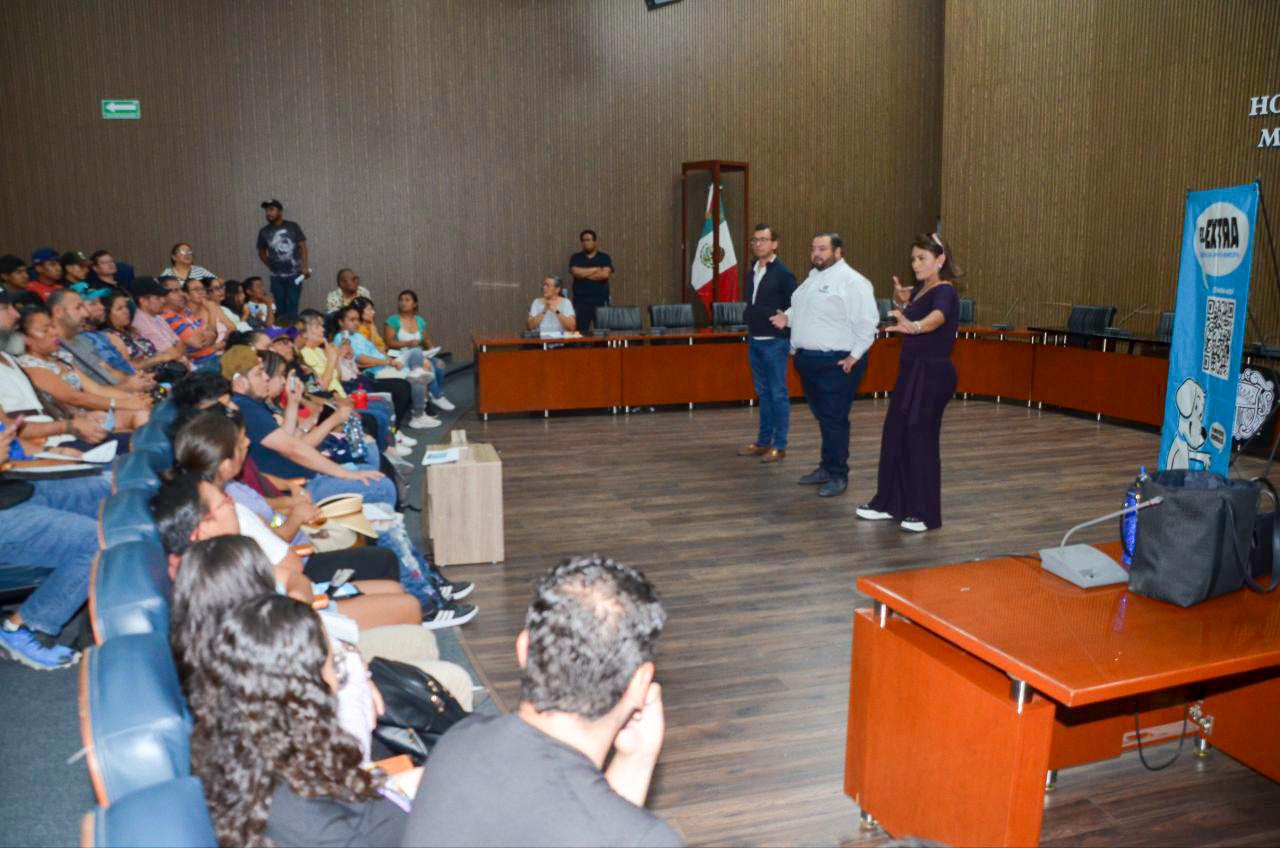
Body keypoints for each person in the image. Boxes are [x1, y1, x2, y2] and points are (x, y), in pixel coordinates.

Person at [403, 555, 682, 848]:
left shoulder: (459, 741)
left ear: (524, 650)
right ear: (641, 683)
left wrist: (636, 758)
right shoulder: (647, 839)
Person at [189, 595, 410, 847]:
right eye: (335, 663)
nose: (339, 677)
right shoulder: (303, 820)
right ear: (309, 689)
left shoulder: (246, 744)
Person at [858, 234, 963, 532]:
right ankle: (890, 503)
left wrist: (914, 325)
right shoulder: (920, 289)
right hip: (911, 372)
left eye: (921, 259)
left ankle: (924, 513)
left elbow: (937, 318)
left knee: (920, 439)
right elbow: (915, 314)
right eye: (913, 258)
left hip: (932, 375)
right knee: (895, 434)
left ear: (940, 260)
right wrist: (903, 302)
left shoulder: (945, 291)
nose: (915, 264)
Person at [769, 232, 878, 497]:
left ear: (838, 252)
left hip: (836, 362)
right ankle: (827, 468)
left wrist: (855, 356)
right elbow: (803, 308)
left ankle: (838, 474)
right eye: (813, 248)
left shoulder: (853, 282)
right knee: (824, 417)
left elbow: (867, 322)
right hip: (808, 361)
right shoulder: (813, 278)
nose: (816, 253)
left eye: (822, 249)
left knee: (834, 419)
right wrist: (788, 318)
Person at [0, 413, 112, 670]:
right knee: (96, 540)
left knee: (113, 486)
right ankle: (21, 626)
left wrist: (50, 452)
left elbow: (12, 439)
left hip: (11, 489)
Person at [225, 345, 397, 504]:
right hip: (298, 488)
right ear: (240, 381)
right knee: (382, 487)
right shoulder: (244, 407)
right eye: (258, 373)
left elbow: (286, 438)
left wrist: (293, 402)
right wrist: (346, 474)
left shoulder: (251, 403)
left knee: (370, 471)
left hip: (306, 477)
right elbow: (292, 448)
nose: (266, 377)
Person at [0, 292, 108, 447]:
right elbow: (8, 429)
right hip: (43, 447)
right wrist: (67, 428)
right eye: (5, 308)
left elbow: (43, 410)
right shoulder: (29, 364)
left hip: (59, 438)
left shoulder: (9, 358)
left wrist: (80, 419)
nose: (16, 314)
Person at [18, 308, 151, 430]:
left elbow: (96, 389)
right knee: (139, 412)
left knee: (142, 408)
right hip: (72, 426)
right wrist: (125, 404)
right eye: (45, 330)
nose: (54, 333)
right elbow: (75, 398)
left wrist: (133, 398)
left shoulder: (60, 357)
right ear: (26, 339)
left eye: (52, 326)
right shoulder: (30, 365)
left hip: (93, 416)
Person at [737, 224, 797, 464]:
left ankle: (779, 446)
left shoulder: (784, 273)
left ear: (775, 244)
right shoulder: (751, 271)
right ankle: (763, 442)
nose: (758, 244)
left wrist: (787, 322)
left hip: (775, 343)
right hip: (755, 340)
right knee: (763, 393)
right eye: (755, 240)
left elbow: (796, 306)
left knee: (778, 394)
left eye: (763, 239)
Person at [384, 289, 454, 412]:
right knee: (427, 364)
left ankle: (433, 393)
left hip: (420, 354)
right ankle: (436, 397)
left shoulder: (420, 320)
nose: (403, 303)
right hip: (401, 356)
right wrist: (408, 343)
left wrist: (432, 349)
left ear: (415, 304)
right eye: (401, 300)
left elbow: (426, 340)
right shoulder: (393, 320)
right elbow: (389, 342)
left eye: (407, 300)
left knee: (440, 364)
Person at [101, 290, 188, 377]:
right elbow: (127, 367)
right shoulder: (111, 336)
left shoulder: (131, 330)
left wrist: (169, 358)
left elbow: (158, 353)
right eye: (119, 309)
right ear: (107, 314)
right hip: (149, 379)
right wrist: (159, 358)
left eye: (126, 307)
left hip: (165, 371)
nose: (126, 311)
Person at [257, 199, 311, 318]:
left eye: (271, 209)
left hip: (294, 275)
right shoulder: (264, 231)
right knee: (280, 308)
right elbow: (261, 252)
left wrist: (305, 266)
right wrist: (271, 266)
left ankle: (292, 328)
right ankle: (282, 329)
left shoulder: (293, 226)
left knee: (292, 306)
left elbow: (302, 247)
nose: (268, 213)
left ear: (280, 212)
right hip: (276, 277)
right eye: (266, 210)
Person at [158, 274, 219, 367]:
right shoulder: (166, 317)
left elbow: (213, 336)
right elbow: (198, 343)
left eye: (180, 289)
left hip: (211, 359)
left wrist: (209, 334)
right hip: (198, 366)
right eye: (175, 291)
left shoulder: (185, 311)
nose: (182, 294)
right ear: (162, 296)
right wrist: (208, 333)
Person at [569, 229, 613, 334]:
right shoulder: (576, 257)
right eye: (583, 240)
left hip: (601, 300)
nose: (586, 243)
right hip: (581, 301)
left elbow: (605, 275)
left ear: (595, 242)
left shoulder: (604, 257)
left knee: (603, 333)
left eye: (588, 240)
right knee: (581, 333)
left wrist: (584, 274)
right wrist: (596, 269)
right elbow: (576, 273)